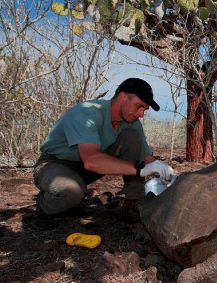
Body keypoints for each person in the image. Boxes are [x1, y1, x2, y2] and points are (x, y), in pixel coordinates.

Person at [32, 77, 175, 228]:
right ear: (123, 96)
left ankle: (134, 203)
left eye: (144, 110)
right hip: (55, 163)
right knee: (71, 191)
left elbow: (148, 160)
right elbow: (91, 160)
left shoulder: (132, 124)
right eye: (139, 106)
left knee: (132, 136)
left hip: (89, 168)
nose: (141, 114)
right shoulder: (87, 112)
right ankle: (45, 207)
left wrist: (168, 175)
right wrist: (141, 169)